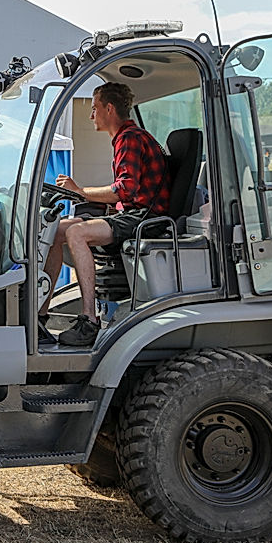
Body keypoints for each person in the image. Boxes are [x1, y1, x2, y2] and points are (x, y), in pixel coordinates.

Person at [40, 82, 171, 346]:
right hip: (132, 214)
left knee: (76, 233)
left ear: (109, 109)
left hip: (144, 219)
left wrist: (81, 190)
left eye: (94, 108)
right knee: (56, 230)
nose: (91, 116)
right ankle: (39, 315)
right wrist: (80, 194)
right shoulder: (127, 137)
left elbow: (125, 189)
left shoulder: (129, 138)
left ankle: (89, 320)